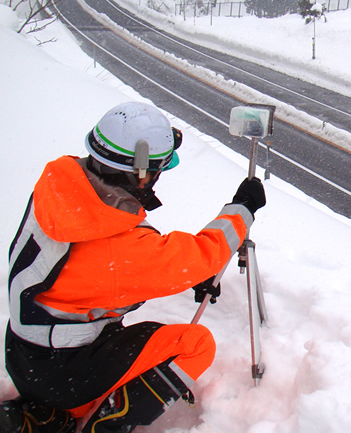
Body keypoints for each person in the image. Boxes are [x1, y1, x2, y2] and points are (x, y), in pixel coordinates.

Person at [0, 102, 266, 432]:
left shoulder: (58, 190)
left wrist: (187, 274)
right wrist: (242, 209)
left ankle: (49, 416)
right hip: (64, 375)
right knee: (196, 344)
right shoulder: (117, 247)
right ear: (141, 172)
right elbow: (198, 255)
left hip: (24, 357)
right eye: (156, 171)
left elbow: (97, 277)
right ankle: (98, 424)